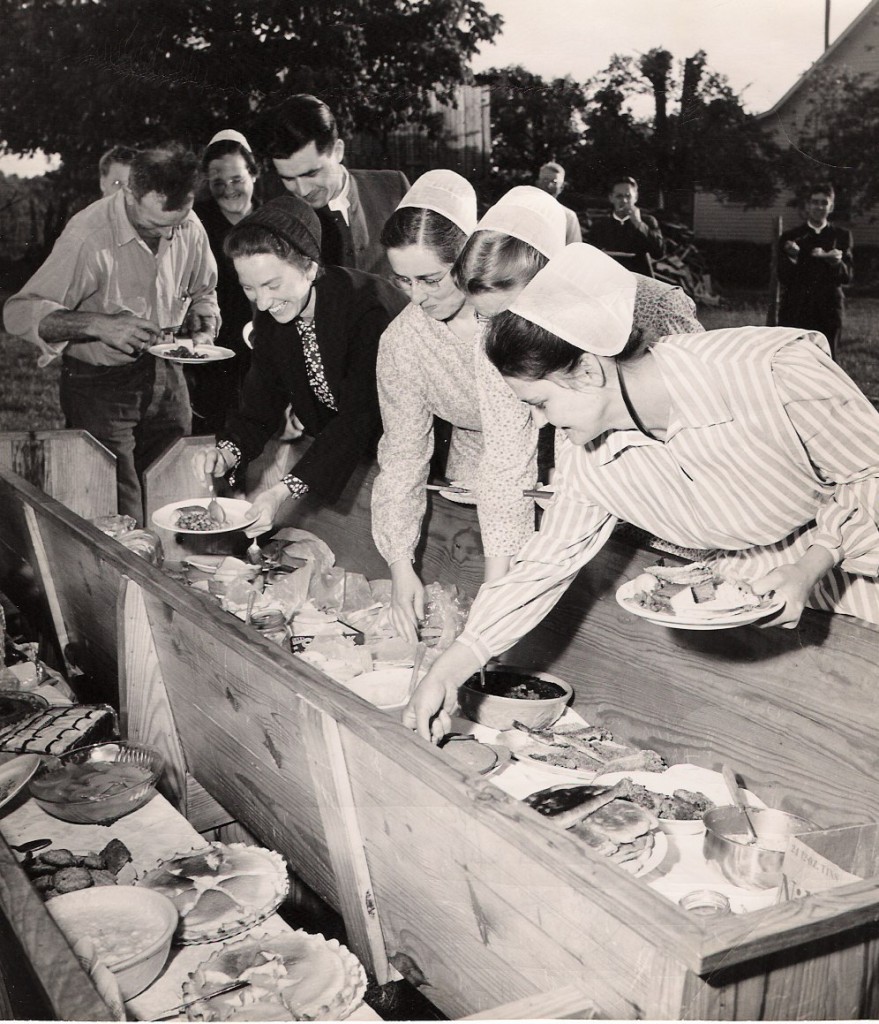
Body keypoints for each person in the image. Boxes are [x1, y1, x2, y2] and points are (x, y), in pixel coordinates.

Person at [404, 243, 879, 742]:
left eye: (540, 402)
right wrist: (451, 666)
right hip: (778, 596)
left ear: (589, 370)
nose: (540, 422)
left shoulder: (772, 373)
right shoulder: (589, 460)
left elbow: (870, 475)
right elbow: (545, 565)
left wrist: (815, 561)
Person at [453, 186, 704, 578]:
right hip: (588, 517)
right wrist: (495, 583)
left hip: (684, 516)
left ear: (552, 279)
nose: (501, 333)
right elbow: (505, 461)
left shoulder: (656, 306)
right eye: (487, 319)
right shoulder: (495, 335)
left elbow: (704, 426)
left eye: (510, 314)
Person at [4, 143, 219, 524]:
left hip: (169, 380)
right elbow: (20, 312)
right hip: (99, 386)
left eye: (178, 223)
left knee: (178, 501)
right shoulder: (88, 235)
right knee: (119, 513)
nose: (170, 234)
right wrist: (98, 325)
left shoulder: (187, 224)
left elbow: (204, 291)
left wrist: (204, 320)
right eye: (156, 226)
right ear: (130, 194)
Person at [193, 195, 405, 536]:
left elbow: (359, 416)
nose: (262, 302)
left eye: (272, 285)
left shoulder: (367, 309)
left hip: (409, 455)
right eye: (249, 287)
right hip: (346, 457)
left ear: (309, 266)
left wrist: (283, 490)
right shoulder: (272, 314)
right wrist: (228, 452)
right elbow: (259, 405)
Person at [371, 170, 488, 640]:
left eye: (430, 279)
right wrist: (400, 564)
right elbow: (401, 456)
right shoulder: (402, 343)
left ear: (467, 259)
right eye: (403, 281)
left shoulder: (512, 308)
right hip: (476, 467)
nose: (417, 297)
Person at [254, 94, 409, 277]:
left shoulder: (393, 188)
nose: (303, 190)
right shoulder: (275, 218)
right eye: (288, 178)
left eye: (311, 173)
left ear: (338, 151)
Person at [188, 129, 260, 434]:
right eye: (218, 183)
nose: (228, 190)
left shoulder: (275, 219)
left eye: (236, 180)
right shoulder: (195, 222)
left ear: (254, 174)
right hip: (213, 356)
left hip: (265, 354)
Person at [778, 182, 853, 359]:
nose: (819, 207)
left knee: (828, 361)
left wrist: (836, 264)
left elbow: (848, 276)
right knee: (794, 360)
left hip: (829, 309)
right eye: (815, 202)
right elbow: (783, 276)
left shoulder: (841, 236)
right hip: (797, 309)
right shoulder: (791, 237)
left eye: (824, 203)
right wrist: (793, 258)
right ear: (807, 206)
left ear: (831, 206)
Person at [589, 175, 664, 277]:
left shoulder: (647, 221)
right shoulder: (600, 225)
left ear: (636, 198)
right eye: (619, 196)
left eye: (628, 196)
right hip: (609, 280)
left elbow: (659, 253)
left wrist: (638, 223)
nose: (624, 201)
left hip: (639, 282)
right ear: (611, 198)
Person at [535, 161, 582, 244]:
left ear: (561, 187)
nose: (549, 185)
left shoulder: (569, 217)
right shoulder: (525, 210)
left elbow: (574, 250)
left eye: (554, 182)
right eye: (545, 180)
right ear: (537, 183)